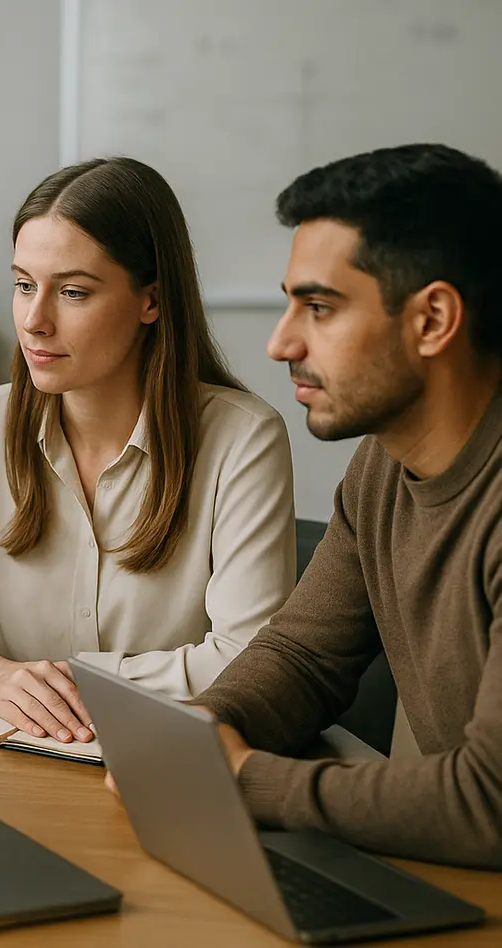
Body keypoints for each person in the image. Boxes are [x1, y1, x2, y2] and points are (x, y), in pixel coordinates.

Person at [0, 157, 296, 746]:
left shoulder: (244, 438)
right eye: (24, 285)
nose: (34, 321)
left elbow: (248, 659)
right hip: (18, 755)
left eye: (73, 292)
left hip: (167, 757)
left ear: (151, 300)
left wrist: (66, 685)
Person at [191, 144, 502, 869]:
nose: (280, 343)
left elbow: (488, 801)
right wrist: (201, 731)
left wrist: (244, 777)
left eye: (319, 308)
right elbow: (304, 657)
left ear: (432, 320)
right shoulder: (383, 464)